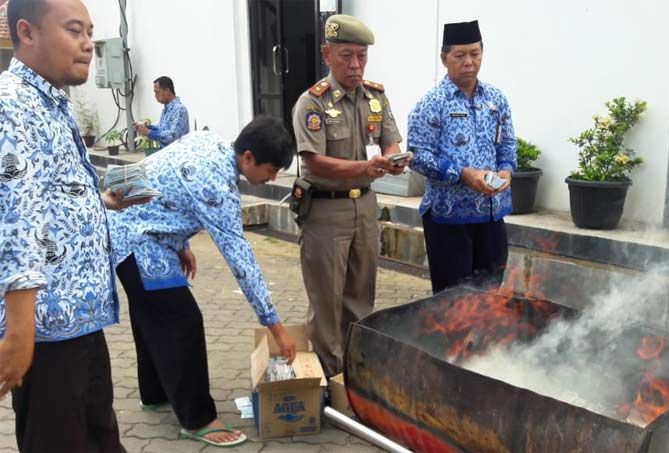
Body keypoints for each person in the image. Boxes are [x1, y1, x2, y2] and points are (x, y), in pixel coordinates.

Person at [0, 0, 147, 451]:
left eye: (89, 31)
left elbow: (47, 195)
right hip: (44, 331)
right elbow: (15, 217)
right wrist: (20, 331)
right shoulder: (12, 104)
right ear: (27, 33)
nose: (88, 45)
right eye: (74, 31)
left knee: (100, 438)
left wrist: (99, 202)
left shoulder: (51, 100)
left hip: (79, 320)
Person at [108, 116, 297, 448]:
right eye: (271, 170)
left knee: (151, 314)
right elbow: (240, 259)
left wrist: (180, 244)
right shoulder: (217, 184)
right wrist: (275, 326)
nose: (273, 178)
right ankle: (198, 419)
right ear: (248, 157)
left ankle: (155, 394)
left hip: (129, 226)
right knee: (182, 321)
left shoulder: (208, 141)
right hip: (138, 239)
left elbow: (162, 181)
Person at [290, 14, 407, 377]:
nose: (355, 65)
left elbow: (389, 142)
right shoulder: (312, 104)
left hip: (365, 207)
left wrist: (394, 161)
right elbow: (314, 163)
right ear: (327, 54)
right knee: (327, 301)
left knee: (360, 296)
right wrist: (365, 169)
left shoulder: (376, 97)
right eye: (346, 56)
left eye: (361, 56)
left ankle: (355, 373)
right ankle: (329, 378)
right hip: (326, 211)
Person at [408, 20, 516, 294]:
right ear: (444, 58)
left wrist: (506, 172)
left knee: (490, 296)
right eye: (460, 55)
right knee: (453, 303)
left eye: (475, 54)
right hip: (448, 219)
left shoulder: (496, 99)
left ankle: (484, 339)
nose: (469, 62)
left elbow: (507, 144)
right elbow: (418, 155)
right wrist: (462, 174)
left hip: (491, 217)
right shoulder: (432, 103)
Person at [135, 75, 190, 149]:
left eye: (157, 92)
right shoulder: (166, 110)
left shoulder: (179, 109)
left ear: (167, 91)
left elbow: (173, 136)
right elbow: (162, 128)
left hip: (175, 154)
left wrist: (149, 132)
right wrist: (146, 127)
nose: (155, 96)